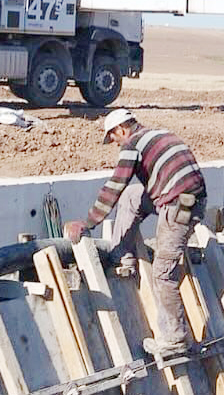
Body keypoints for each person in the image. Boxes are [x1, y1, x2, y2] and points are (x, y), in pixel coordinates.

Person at [67, 108, 207, 359]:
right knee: (133, 197)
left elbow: (114, 186)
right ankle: (123, 255)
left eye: (114, 138)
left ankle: (175, 339)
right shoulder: (158, 134)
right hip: (188, 199)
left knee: (163, 272)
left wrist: (88, 223)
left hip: (180, 204)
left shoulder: (132, 144)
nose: (116, 144)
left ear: (121, 129)